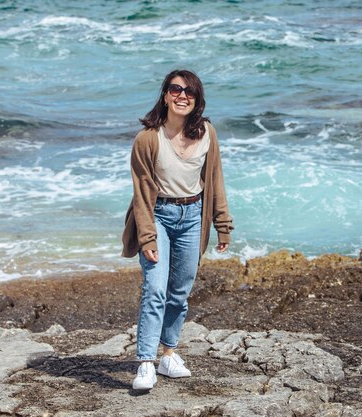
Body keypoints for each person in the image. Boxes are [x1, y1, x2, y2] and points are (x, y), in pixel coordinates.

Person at [121, 69, 234, 390]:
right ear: (165, 95)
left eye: (189, 92)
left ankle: (168, 355)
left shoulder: (207, 133)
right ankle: (145, 362)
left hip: (194, 215)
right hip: (158, 214)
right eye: (175, 90)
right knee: (155, 289)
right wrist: (146, 235)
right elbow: (142, 192)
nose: (182, 96)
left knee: (179, 293)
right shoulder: (147, 139)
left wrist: (222, 225)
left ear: (197, 100)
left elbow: (215, 182)